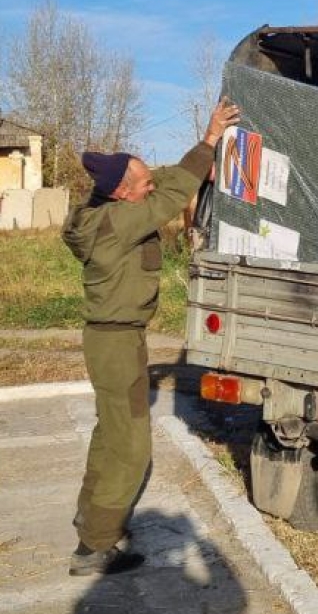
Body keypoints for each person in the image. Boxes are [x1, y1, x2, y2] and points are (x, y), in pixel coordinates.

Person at [61, 99, 240, 576]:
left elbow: (158, 183)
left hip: (114, 340)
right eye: (142, 183)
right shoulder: (120, 223)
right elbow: (169, 193)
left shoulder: (104, 211)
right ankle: (94, 547)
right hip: (116, 344)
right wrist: (208, 141)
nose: (151, 186)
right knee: (132, 446)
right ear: (123, 193)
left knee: (110, 435)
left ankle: (94, 520)